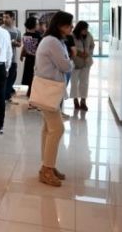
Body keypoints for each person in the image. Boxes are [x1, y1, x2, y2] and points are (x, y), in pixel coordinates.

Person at [35, 11, 75, 187]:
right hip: (49, 90)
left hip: (49, 90)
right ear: (59, 25)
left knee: (48, 129)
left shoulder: (52, 40)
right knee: (57, 129)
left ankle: (47, 166)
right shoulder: (53, 41)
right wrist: (71, 62)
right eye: (69, 25)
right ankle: (47, 169)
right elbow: (66, 65)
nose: (71, 28)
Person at [70, 21, 95, 111]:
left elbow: (92, 45)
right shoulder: (72, 36)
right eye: (84, 29)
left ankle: (83, 101)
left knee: (84, 82)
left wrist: (89, 54)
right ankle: (75, 100)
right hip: (76, 63)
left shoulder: (88, 35)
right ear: (79, 28)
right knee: (74, 82)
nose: (85, 31)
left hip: (87, 62)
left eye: (86, 29)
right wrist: (80, 54)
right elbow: (71, 48)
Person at [1, 11, 22, 102]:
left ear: (12, 18)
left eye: (7, 17)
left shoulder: (17, 31)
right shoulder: (1, 29)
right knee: (3, 78)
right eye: (4, 17)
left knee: (11, 77)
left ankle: (7, 95)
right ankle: (3, 96)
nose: (4, 19)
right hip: (2, 58)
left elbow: (19, 43)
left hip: (13, 58)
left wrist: (15, 43)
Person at [20, 16, 39, 99]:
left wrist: (21, 54)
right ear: (34, 25)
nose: (38, 25)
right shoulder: (38, 35)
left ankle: (30, 92)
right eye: (37, 24)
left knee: (29, 76)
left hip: (29, 58)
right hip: (35, 59)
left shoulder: (25, 34)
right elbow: (36, 50)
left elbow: (24, 47)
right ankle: (32, 93)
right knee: (33, 76)